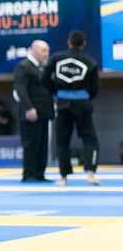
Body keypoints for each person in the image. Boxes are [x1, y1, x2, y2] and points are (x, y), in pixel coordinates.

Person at [42, 30, 101, 186]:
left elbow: (44, 78)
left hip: (63, 104)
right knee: (90, 139)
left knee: (62, 139)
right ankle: (90, 175)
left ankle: (63, 177)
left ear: (69, 42)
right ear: (84, 44)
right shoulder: (90, 61)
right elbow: (95, 88)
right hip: (83, 103)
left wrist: (57, 92)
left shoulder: (56, 58)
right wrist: (86, 97)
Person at [12, 41, 52, 182]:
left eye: (47, 51)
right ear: (34, 51)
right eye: (43, 51)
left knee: (42, 144)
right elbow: (20, 90)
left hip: (43, 112)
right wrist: (29, 108)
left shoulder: (42, 68)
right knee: (31, 144)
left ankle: (39, 173)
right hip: (30, 112)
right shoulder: (23, 67)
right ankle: (29, 174)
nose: (46, 54)